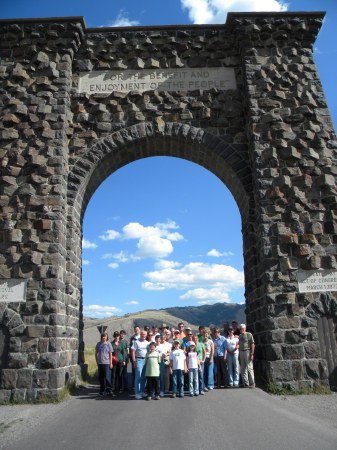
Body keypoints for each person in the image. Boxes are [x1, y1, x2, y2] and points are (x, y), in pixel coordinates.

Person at [131, 330, 149, 399]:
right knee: (138, 377)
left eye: (144, 334)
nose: (143, 335)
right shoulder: (136, 342)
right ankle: (137, 393)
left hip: (146, 361)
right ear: (140, 335)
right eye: (142, 334)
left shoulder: (147, 343)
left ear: (146, 335)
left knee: (144, 377)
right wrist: (134, 361)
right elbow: (133, 351)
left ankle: (142, 391)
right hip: (139, 360)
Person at [239, 324, 255, 388]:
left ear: (245, 329)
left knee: (249, 367)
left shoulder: (249, 334)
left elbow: (252, 344)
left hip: (247, 351)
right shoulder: (240, 336)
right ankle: (245, 383)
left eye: (242, 328)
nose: (241, 330)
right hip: (241, 351)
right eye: (240, 329)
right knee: (243, 368)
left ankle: (252, 383)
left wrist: (252, 354)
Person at [157, 333, 172, 397]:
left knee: (166, 375)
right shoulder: (158, 344)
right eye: (162, 337)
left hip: (166, 360)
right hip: (159, 361)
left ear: (166, 338)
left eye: (164, 337)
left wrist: (166, 354)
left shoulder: (168, 344)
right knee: (160, 375)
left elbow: (170, 352)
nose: (163, 338)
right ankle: (160, 389)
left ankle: (166, 388)